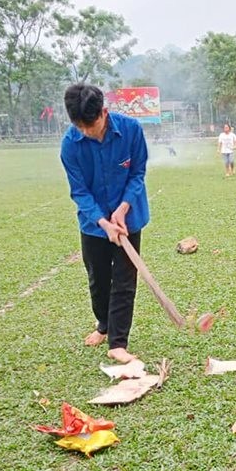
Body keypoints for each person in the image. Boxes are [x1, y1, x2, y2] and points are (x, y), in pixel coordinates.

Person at [60, 83, 150, 363]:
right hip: (93, 224)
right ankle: (103, 325)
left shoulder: (131, 130)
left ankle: (118, 343)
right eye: (81, 126)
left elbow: (137, 173)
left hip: (129, 218)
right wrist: (103, 222)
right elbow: (80, 192)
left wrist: (122, 210)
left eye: (92, 125)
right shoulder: (70, 145)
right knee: (98, 280)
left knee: (124, 281)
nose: (87, 131)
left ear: (104, 112)